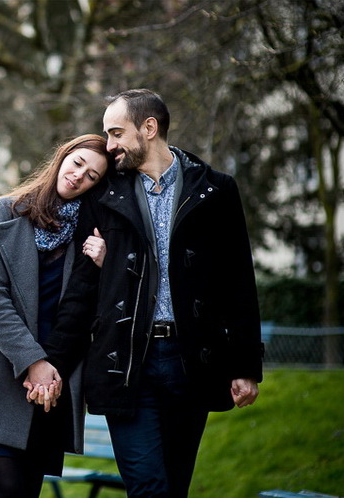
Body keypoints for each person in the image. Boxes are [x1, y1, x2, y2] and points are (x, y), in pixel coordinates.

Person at [42, 89, 264, 498]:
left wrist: (246, 365)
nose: (109, 146)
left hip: (192, 361)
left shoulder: (216, 190)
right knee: (148, 486)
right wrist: (52, 361)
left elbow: (238, 283)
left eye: (115, 133)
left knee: (173, 487)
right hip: (126, 364)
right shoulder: (105, 195)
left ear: (149, 128)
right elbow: (82, 290)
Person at [0, 134, 112, 498]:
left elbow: (93, 309)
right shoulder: (3, 211)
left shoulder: (91, 232)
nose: (80, 176)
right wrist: (32, 361)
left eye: (93, 176)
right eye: (78, 163)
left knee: (27, 492)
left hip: (52, 382)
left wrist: (104, 265)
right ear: (63, 157)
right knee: (5, 489)